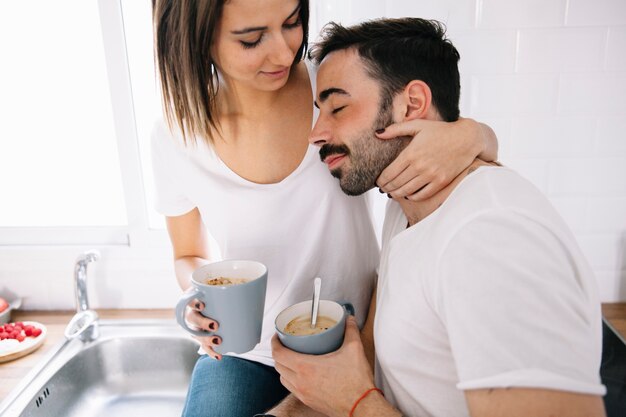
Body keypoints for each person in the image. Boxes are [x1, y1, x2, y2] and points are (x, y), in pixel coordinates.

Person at [150, 1, 498, 415]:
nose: (284, 52)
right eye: (252, 38)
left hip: (355, 336)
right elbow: (187, 254)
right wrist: (200, 299)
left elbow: (431, 122)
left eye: (292, 22)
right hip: (248, 351)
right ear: (195, 40)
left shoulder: (331, 87)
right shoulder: (175, 135)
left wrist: (476, 135)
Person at [271, 17, 607, 417]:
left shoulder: (492, 239)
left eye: (338, 107)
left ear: (412, 104)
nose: (316, 134)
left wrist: (354, 404)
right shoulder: (405, 200)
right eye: (319, 111)